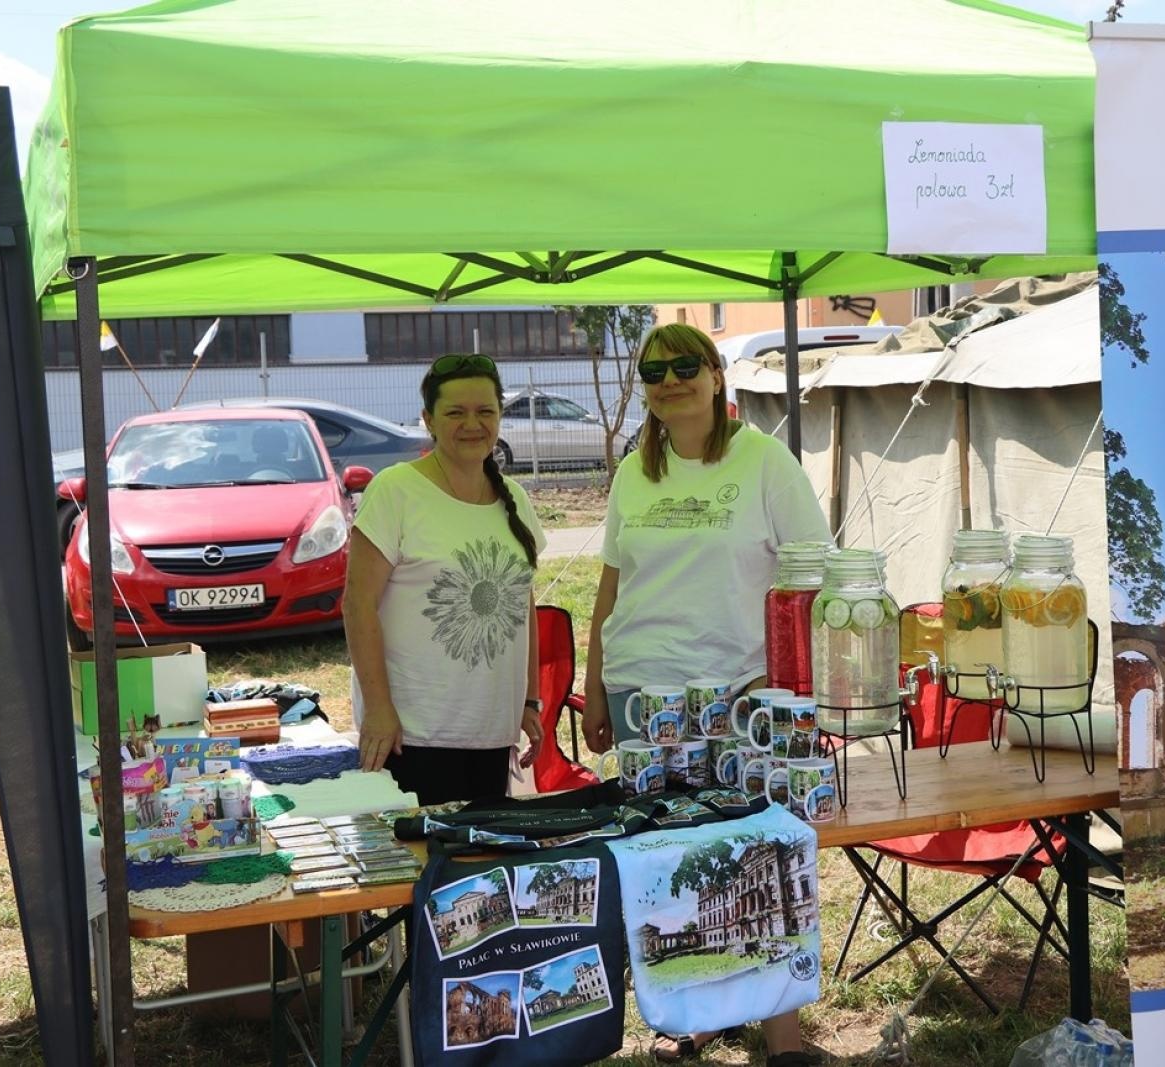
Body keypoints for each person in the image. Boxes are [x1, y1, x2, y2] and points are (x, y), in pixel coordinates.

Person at [581, 322, 829, 1067]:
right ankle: (691, 1019)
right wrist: (591, 684)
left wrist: (778, 679)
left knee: (763, 850)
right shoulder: (634, 472)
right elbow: (611, 585)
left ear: (718, 375)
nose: (670, 379)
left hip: (741, 690)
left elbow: (809, 572)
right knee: (669, 858)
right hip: (642, 694)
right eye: (655, 369)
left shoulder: (765, 461)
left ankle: (781, 1037)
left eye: (686, 365)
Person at [344, 354, 546, 806]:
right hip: (413, 735)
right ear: (428, 420)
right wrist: (378, 710)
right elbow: (357, 606)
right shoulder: (395, 491)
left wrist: (530, 701)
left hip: (492, 733)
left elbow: (522, 603)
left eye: (485, 412)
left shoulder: (513, 498)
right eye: (455, 412)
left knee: (479, 869)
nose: (471, 424)